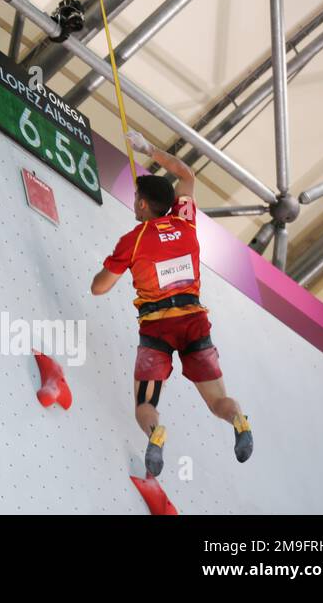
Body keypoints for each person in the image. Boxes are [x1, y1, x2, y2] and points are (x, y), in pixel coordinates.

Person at [91, 129, 253, 478]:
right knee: (217, 402)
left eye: (136, 198)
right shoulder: (186, 220)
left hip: (157, 329)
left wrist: (116, 267)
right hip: (195, 322)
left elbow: (99, 288)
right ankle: (238, 419)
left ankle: (156, 433)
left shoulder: (132, 241)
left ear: (144, 205)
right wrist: (148, 148)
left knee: (146, 404)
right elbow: (187, 175)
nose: (134, 203)